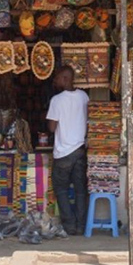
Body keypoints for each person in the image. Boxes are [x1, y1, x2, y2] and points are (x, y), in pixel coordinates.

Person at [46, 66, 89, 235]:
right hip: (79, 149)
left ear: (65, 78)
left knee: (61, 189)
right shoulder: (84, 97)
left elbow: (51, 127)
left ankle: (69, 226)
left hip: (63, 152)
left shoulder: (57, 100)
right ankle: (81, 225)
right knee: (80, 190)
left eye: (57, 78)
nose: (55, 81)